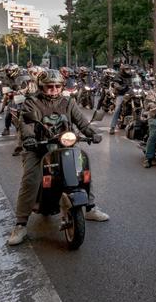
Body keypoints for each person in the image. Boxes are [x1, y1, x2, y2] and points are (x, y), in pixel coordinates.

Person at [7, 69, 108, 246]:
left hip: (64, 144)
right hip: (38, 146)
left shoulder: (68, 102)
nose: (53, 89)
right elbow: (26, 123)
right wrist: (29, 138)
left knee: (83, 169)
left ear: (62, 87)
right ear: (41, 87)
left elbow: (82, 122)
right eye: (49, 86)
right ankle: (21, 224)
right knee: (30, 178)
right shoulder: (32, 102)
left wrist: (92, 133)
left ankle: (90, 207)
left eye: (57, 86)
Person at [109, 64, 135, 134]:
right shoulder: (118, 75)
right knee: (118, 108)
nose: (128, 70)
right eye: (126, 69)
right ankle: (112, 127)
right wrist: (121, 87)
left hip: (131, 93)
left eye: (129, 69)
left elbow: (138, 82)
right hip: (121, 94)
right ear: (123, 70)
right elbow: (116, 84)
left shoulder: (132, 75)